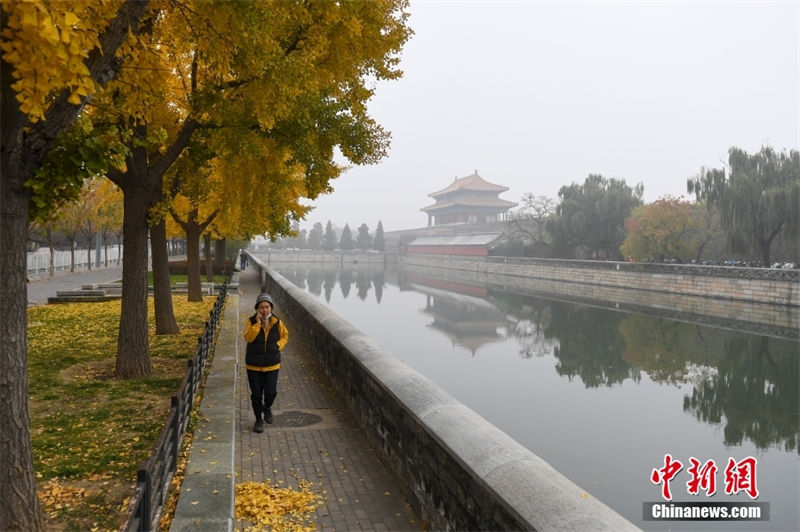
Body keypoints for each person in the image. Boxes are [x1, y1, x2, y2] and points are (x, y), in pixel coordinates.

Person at [244, 293, 289, 433]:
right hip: (254, 366)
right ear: (257, 309)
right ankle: (258, 420)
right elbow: (248, 338)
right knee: (256, 395)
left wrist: (278, 346)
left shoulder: (277, 322)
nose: (265, 310)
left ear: (271, 308)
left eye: (267, 307)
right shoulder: (250, 322)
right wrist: (257, 325)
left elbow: (285, 336)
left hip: (272, 365)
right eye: (262, 307)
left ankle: (267, 407)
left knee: (271, 392)